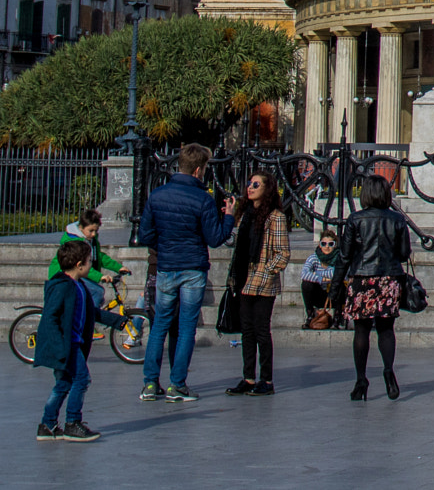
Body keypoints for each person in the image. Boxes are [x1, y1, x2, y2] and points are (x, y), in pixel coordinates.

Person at [136, 144, 234, 402]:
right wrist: (229, 217)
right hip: (192, 268)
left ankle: (149, 384)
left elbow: (144, 235)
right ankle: (177, 384)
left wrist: (166, 247)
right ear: (200, 170)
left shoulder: (157, 195)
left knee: (159, 325)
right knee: (187, 326)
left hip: (167, 267)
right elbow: (215, 239)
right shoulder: (202, 199)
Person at [34, 238, 127, 442]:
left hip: (71, 344)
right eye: (88, 261)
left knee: (64, 384)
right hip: (66, 346)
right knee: (81, 379)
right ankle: (72, 423)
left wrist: (116, 321)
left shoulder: (78, 286)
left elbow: (91, 312)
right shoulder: (63, 287)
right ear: (80, 265)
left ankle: (47, 425)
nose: (90, 265)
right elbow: (49, 318)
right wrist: (60, 349)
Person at [332, 175, 413, 401]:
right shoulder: (398, 219)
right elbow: (405, 253)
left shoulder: (355, 219)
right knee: (386, 330)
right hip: (388, 278)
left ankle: (361, 379)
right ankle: (388, 370)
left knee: (361, 331)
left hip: (362, 279)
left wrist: (336, 284)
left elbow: (344, 255)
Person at [224, 169, 291, 397]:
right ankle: (248, 378)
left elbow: (283, 253)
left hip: (263, 281)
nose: (250, 188)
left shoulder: (276, 217)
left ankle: (267, 380)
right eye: (250, 184)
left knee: (262, 330)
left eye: (256, 185)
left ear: (267, 189)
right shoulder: (245, 215)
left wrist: (267, 271)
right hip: (243, 279)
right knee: (247, 331)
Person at [47, 209, 124, 286]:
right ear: (81, 227)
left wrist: (118, 268)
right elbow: (83, 265)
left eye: (96, 231)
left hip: (79, 275)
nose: (94, 234)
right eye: (91, 231)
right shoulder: (74, 242)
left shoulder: (90, 240)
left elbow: (99, 256)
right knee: (96, 292)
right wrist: (100, 276)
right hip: (63, 277)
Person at [300, 231, 339, 327]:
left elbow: (338, 274)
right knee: (306, 284)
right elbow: (304, 274)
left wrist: (316, 274)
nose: (327, 247)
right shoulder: (313, 258)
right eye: (324, 243)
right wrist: (322, 279)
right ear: (320, 245)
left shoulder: (339, 258)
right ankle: (310, 314)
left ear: (335, 245)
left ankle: (338, 317)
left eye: (330, 244)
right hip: (319, 293)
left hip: (334, 294)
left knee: (339, 284)